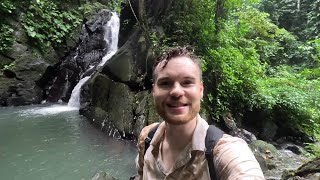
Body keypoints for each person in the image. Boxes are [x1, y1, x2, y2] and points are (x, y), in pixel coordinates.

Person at [134, 47, 265, 180]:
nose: (176, 92)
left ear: (201, 90)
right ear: (154, 91)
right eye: (165, 83)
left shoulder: (225, 152)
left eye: (187, 83)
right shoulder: (146, 138)